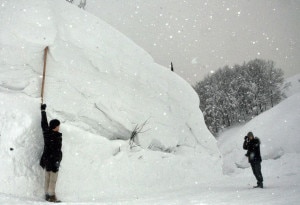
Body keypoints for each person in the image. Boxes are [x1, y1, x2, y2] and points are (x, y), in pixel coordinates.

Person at [40, 104, 62, 202]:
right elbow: (56, 150)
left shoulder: (46, 131)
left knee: (47, 176)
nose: (59, 127)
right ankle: (51, 196)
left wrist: (43, 111)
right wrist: (57, 161)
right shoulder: (55, 137)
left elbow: (44, 123)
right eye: (58, 126)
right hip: (53, 159)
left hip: (46, 158)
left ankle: (47, 194)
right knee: (53, 178)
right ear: (55, 127)